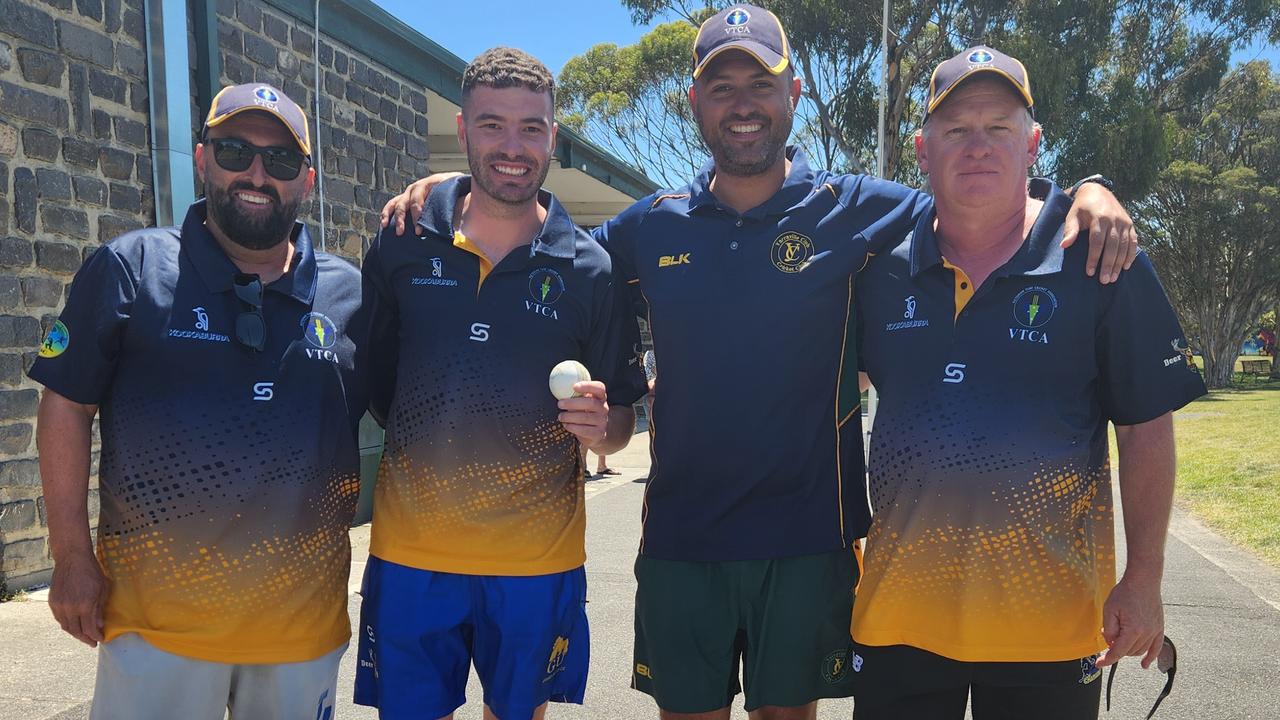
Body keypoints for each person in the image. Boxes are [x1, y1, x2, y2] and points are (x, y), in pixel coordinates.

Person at [379, 7, 1138, 719]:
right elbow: (540, 237)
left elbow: (980, 191)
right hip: (682, 541)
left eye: (761, 84)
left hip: (808, 543)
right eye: (722, 86)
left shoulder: (862, 208)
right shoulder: (646, 229)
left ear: (793, 93)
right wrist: (452, 192)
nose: (743, 103)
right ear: (695, 101)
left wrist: (1085, 190)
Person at [849, 46, 1207, 719]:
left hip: (1050, 626)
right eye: (956, 130)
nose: (977, 147)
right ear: (923, 151)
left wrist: (1145, 579)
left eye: (999, 128)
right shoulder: (878, 270)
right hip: (898, 614)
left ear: (1034, 144)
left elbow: (1145, 428)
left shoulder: (1102, 260)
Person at [29, 83, 365, 719]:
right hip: (157, 629)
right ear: (203, 158)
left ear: (309, 180)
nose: (257, 174)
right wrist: (70, 556)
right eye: (235, 150)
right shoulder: (129, 268)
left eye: (282, 160)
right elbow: (66, 404)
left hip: (301, 632)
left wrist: (449, 190)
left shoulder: (351, 292)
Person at [352, 47, 646, 720]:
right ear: (462, 131)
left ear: (553, 136)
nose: (513, 147)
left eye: (532, 128)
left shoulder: (591, 269)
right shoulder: (402, 237)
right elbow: (378, 383)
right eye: (492, 126)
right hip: (411, 553)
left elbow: (624, 415)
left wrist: (607, 427)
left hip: (535, 563)